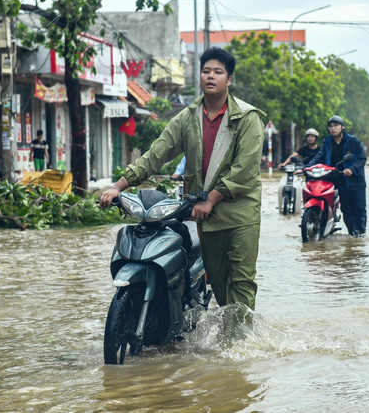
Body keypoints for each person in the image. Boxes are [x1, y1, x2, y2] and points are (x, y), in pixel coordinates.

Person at [100, 47, 266, 310]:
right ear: (199, 77)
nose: (211, 76)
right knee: (221, 286)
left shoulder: (247, 118)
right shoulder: (187, 117)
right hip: (205, 216)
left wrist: (211, 199)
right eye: (206, 71)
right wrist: (117, 187)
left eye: (218, 72)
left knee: (242, 283)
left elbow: (244, 170)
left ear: (229, 79)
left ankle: (243, 344)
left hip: (240, 214)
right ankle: (230, 342)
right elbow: (156, 155)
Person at [307, 115, 367, 237]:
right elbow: (319, 157)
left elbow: (362, 158)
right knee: (346, 210)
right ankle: (351, 233)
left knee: (359, 209)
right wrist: (307, 167)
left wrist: (351, 169)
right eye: (331, 126)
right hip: (338, 181)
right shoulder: (328, 142)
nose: (333, 128)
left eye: (336, 126)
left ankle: (360, 235)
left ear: (342, 127)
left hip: (355, 181)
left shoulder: (353, 141)